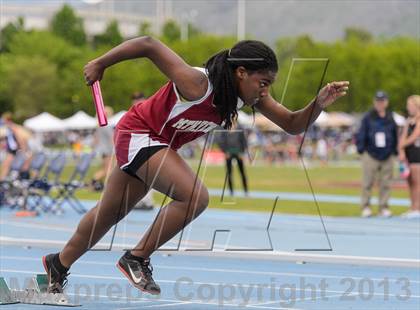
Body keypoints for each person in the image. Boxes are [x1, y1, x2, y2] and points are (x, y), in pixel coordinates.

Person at [42, 36, 349, 295]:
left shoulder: (244, 98)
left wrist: (318, 103)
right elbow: (149, 44)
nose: (265, 90)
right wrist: (100, 63)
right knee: (194, 197)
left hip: (157, 143)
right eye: (263, 82)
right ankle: (136, 258)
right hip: (139, 133)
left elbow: (293, 124)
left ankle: (58, 264)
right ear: (241, 72)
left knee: (110, 213)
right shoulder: (197, 83)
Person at [356, 91, 398, 218]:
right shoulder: (368, 117)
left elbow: (395, 134)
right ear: (375, 102)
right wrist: (361, 149)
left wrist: (395, 150)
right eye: (378, 101)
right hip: (370, 153)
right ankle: (366, 207)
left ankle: (383, 207)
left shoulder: (390, 117)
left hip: (387, 154)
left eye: (382, 101)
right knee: (367, 182)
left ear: (386, 102)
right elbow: (361, 133)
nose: (380, 103)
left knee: (386, 183)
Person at [398, 95, 420, 218]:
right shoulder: (408, 121)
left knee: (417, 182)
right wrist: (401, 152)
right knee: (410, 181)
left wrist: (402, 145)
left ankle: (417, 208)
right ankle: (412, 207)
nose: (408, 108)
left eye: (410, 106)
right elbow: (403, 136)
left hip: (417, 154)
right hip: (408, 155)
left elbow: (413, 137)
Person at [218, 121, 249, 196]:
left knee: (242, 173)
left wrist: (242, 152)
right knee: (229, 173)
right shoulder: (224, 130)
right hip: (228, 153)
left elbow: (244, 142)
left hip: (238, 153)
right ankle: (231, 192)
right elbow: (221, 142)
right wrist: (225, 152)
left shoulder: (240, 129)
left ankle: (246, 191)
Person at [91, 106, 115, 191]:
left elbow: (96, 139)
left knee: (107, 169)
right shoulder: (105, 125)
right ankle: (95, 182)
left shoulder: (99, 125)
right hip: (108, 150)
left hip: (103, 150)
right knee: (108, 170)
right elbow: (112, 138)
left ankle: (97, 183)